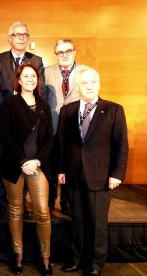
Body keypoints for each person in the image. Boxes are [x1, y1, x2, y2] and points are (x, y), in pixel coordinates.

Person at [58, 67, 128, 276]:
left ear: (98, 85)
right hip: (73, 175)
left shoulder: (114, 109)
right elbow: (61, 144)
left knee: (97, 223)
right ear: (77, 87)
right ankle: (77, 258)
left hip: (101, 176)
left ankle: (96, 263)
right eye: (84, 83)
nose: (88, 87)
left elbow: (121, 145)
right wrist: (61, 170)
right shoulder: (67, 110)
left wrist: (117, 174)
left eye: (92, 83)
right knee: (77, 220)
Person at [0, 64, 53, 275]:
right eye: (26, 76)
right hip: (14, 164)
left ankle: (45, 259)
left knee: (42, 212)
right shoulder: (10, 103)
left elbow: (49, 139)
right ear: (19, 80)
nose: (30, 79)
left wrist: (36, 161)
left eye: (33, 76)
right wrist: (23, 160)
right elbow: (5, 136)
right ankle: (18, 255)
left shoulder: (44, 106)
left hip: (38, 165)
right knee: (15, 210)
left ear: (37, 80)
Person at [0, 22, 45, 217]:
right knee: (3, 160)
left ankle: (21, 203)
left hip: (28, 123)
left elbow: (40, 89)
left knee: (24, 159)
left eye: (25, 34)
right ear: (10, 38)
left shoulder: (37, 60)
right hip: (4, 118)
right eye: (17, 34)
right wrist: (11, 105)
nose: (21, 37)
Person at [45, 39, 87, 215]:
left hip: (75, 129)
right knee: (51, 166)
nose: (64, 54)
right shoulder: (46, 72)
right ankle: (49, 201)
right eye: (60, 52)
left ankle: (66, 201)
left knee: (71, 166)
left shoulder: (86, 72)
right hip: (52, 127)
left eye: (67, 51)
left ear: (75, 52)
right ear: (56, 54)